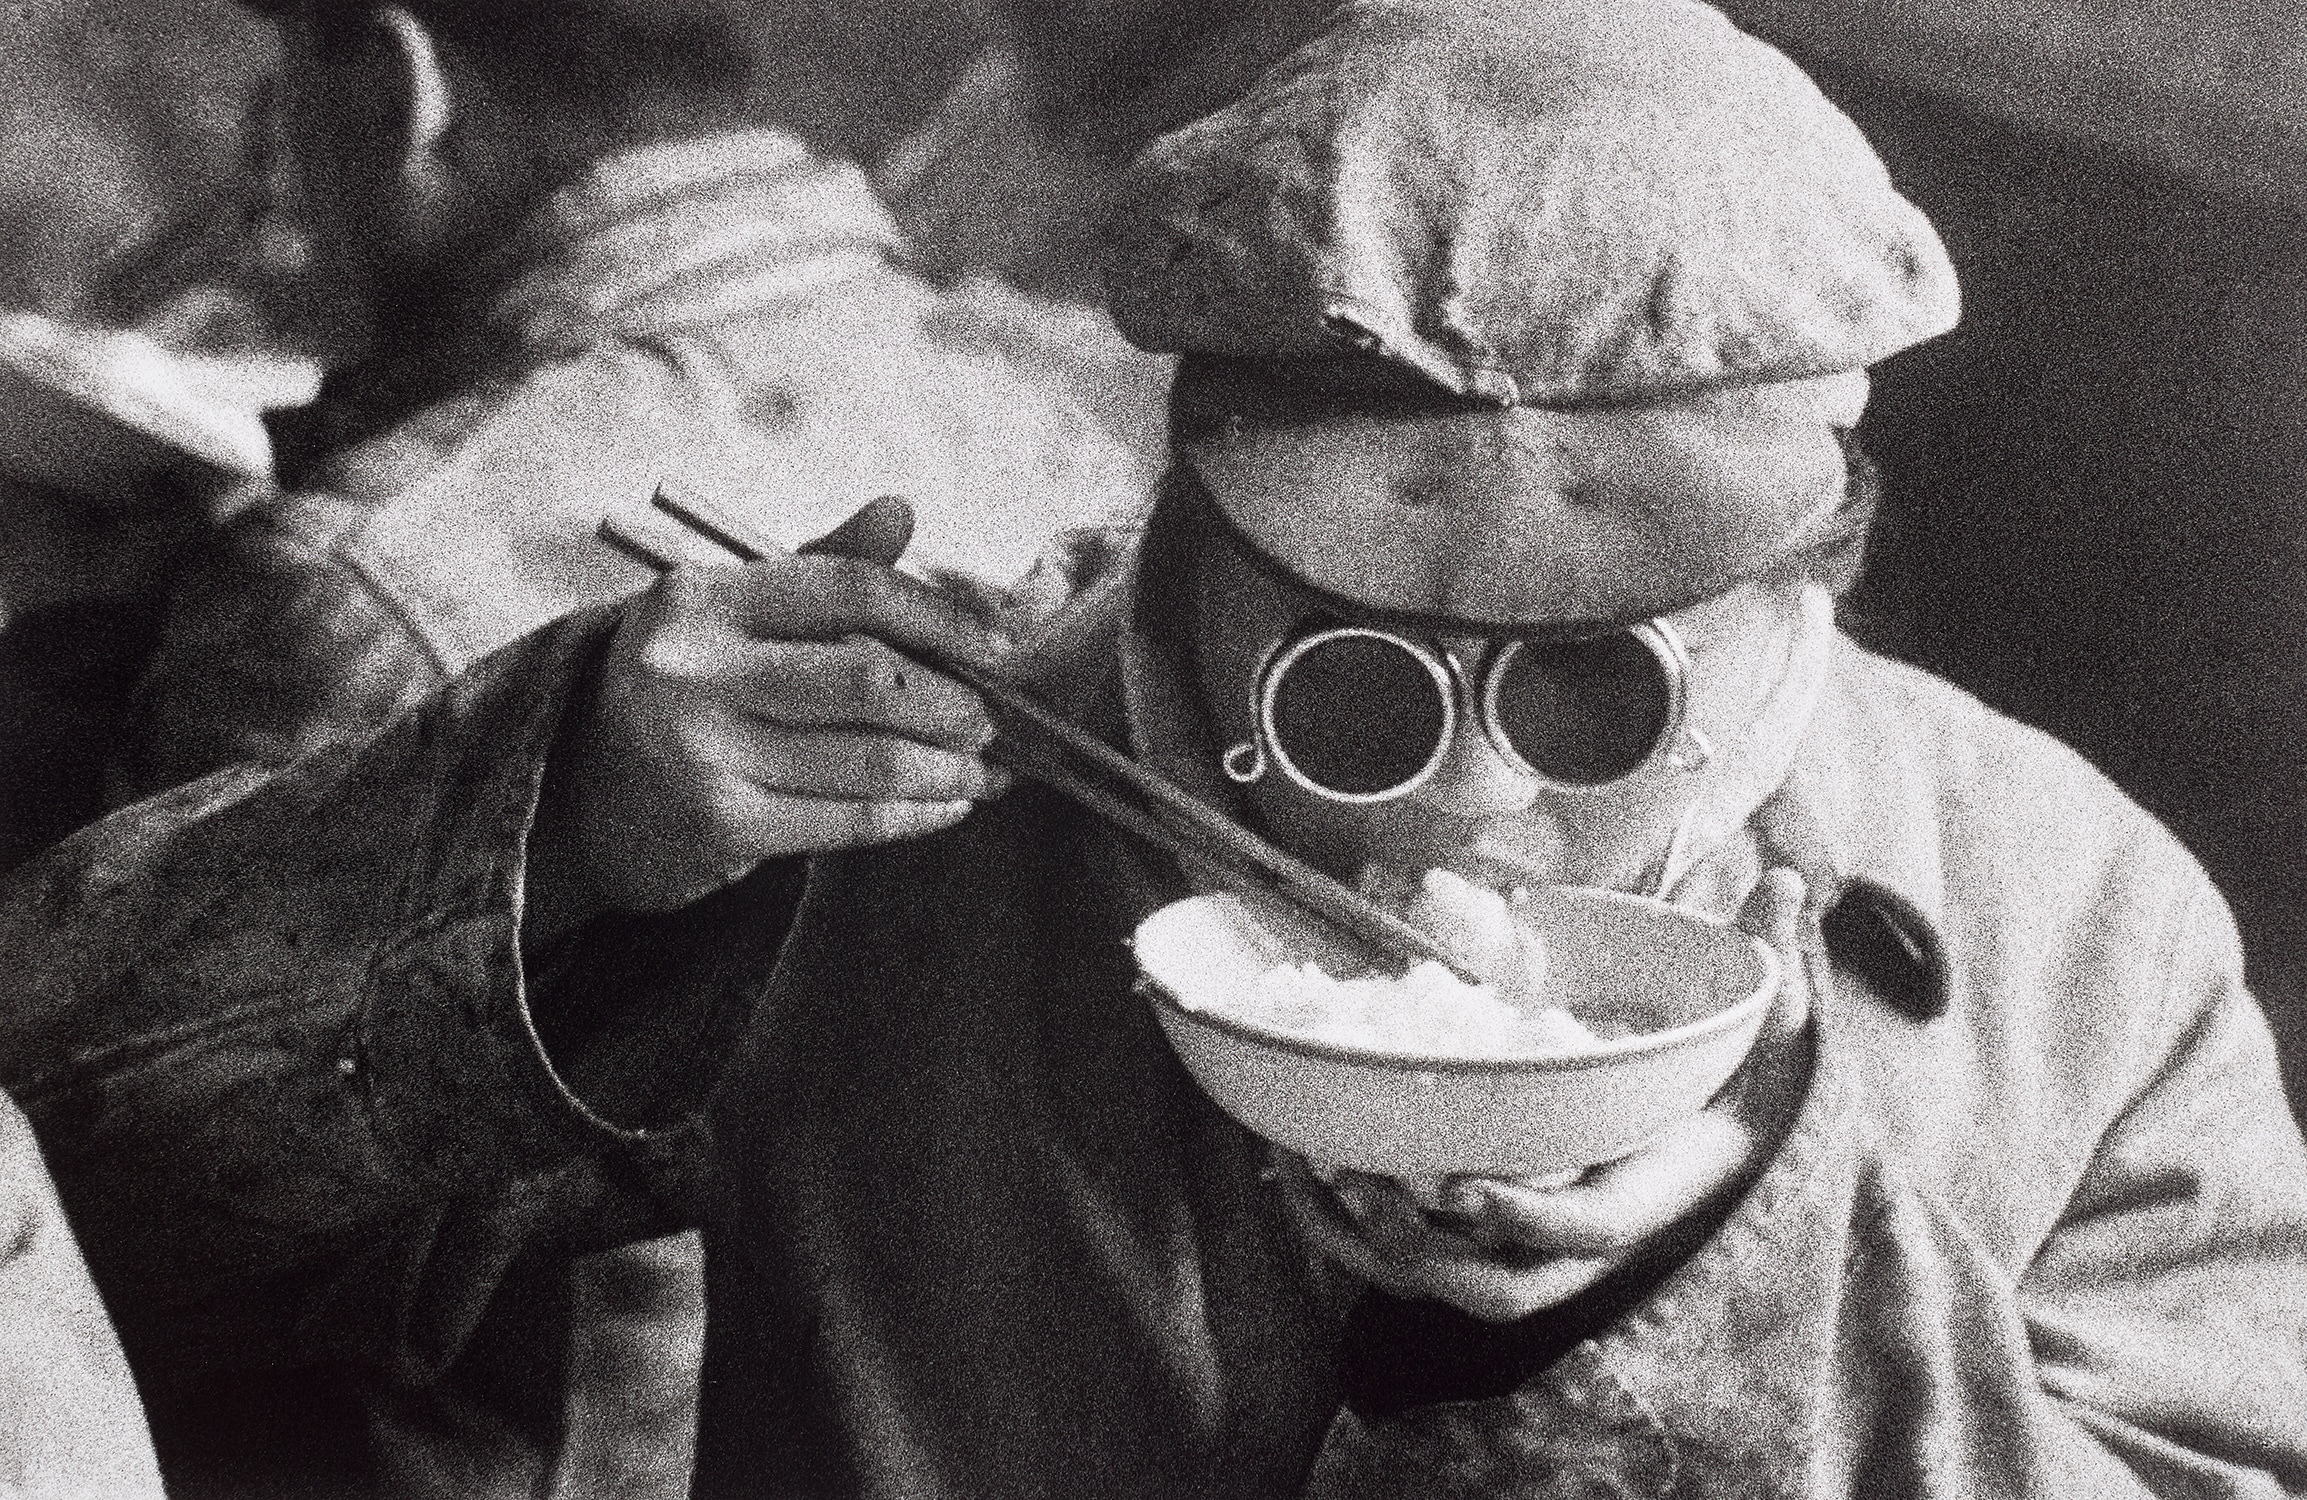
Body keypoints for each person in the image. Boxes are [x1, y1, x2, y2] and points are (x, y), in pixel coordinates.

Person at [667, 0, 2307, 1493]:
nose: (1467, 794)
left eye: (1595, 683)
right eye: (1352, 683)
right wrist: (567, 827)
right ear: (1189, 535)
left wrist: (1742, 1297)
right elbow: (417, 1295)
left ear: (1820, 559)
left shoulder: (2077, 929)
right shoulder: (887, 793)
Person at [125, 0, 1168, 796]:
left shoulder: (348, 590)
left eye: (290, 77)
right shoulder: (1112, 418)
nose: (275, 170)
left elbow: (94, 1051)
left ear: (405, 94)